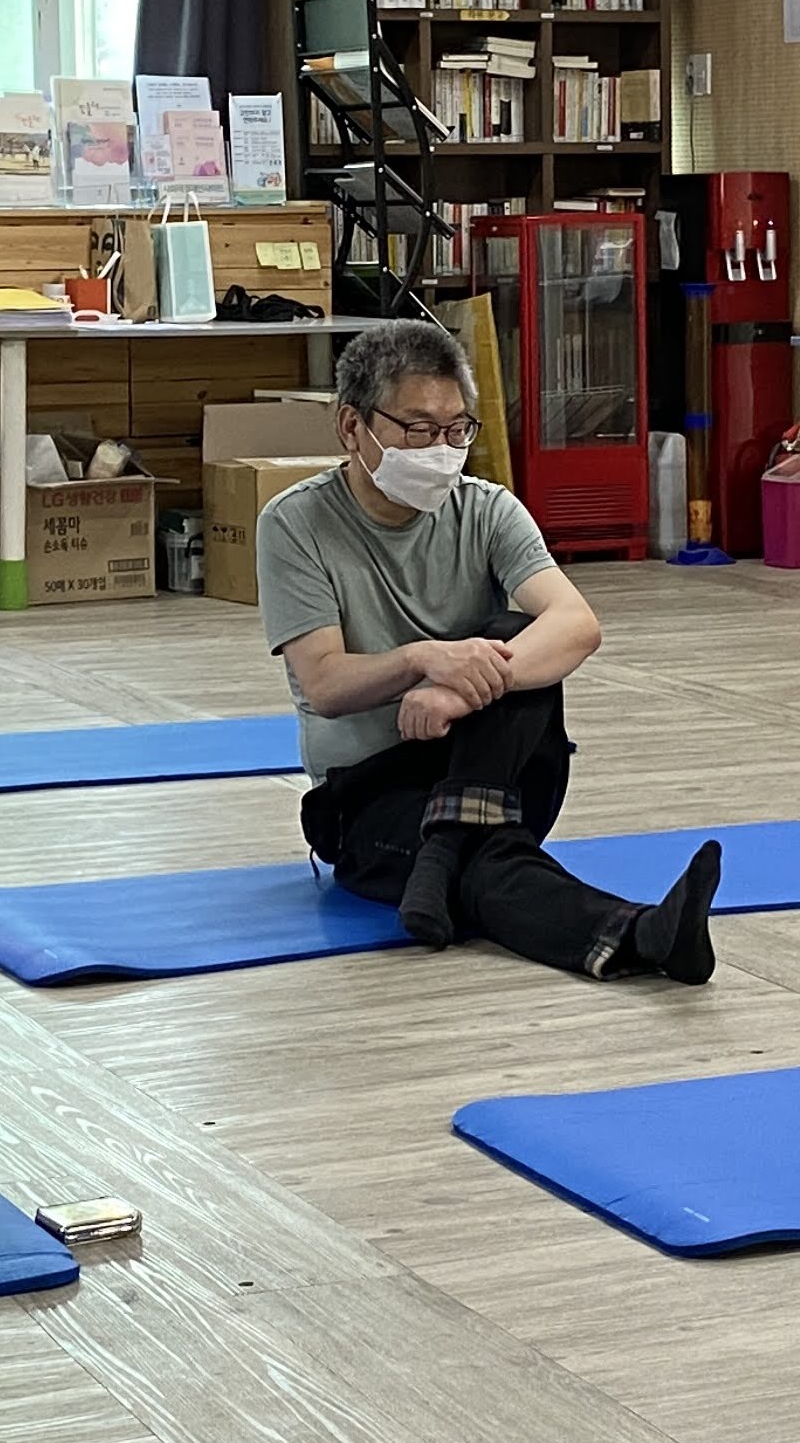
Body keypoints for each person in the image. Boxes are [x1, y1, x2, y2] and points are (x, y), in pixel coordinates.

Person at [255, 318, 720, 982]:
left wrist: (454, 689)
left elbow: (577, 624)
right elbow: (325, 684)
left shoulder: (488, 509)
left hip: (495, 768)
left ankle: (447, 839)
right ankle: (641, 933)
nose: (442, 449)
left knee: (514, 631)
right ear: (352, 427)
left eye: (457, 430)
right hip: (371, 796)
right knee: (489, 863)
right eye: (419, 430)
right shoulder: (295, 523)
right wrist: (421, 659)